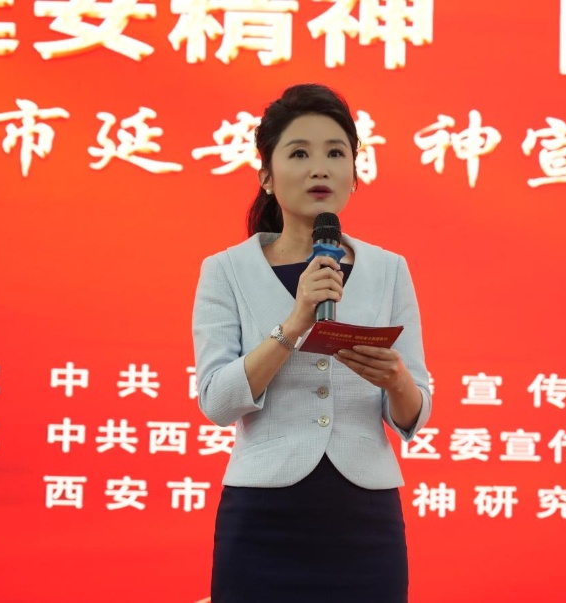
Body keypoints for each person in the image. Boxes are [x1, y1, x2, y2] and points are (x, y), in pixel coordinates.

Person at [191, 83, 432, 603]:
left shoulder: (389, 269)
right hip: (263, 519)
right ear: (266, 176)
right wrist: (295, 322)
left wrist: (396, 380)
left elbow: (415, 414)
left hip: (365, 522)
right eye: (299, 153)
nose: (319, 168)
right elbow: (217, 402)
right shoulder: (226, 270)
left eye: (336, 153)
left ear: (354, 174)